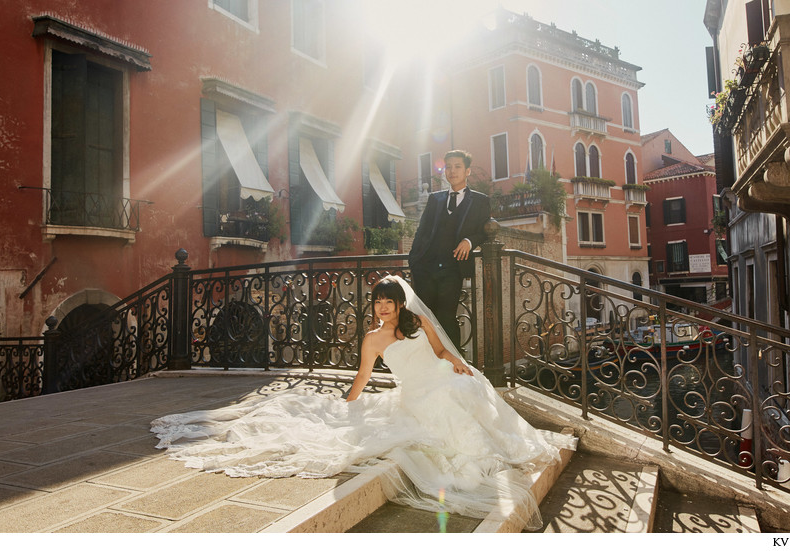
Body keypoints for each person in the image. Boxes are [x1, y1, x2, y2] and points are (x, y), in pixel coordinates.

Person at [151, 276, 575, 528]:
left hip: (440, 376)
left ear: (401, 303)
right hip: (417, 393)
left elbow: (442, 351)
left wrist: (457, 364)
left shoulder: (419, 322)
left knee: (469, 384)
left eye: (390, 301)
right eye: (379, 301)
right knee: (444, 403)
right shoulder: (372, 338)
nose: (383, 307)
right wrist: (348, 403)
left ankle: (500, 436)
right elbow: (363, 377)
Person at [408, 150, 491, 348]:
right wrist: (414, 259)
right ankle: (429, 366)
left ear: (467, 171)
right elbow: (422, 231)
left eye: (457, 167)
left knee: (446, 317)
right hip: (425, 267)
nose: (452, 171)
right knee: (425, 319)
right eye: (448, 167)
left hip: (453, 269)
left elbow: (485, 231)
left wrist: (469, 241)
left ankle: (454, 366)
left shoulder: (480, 201)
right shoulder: (434, 199)